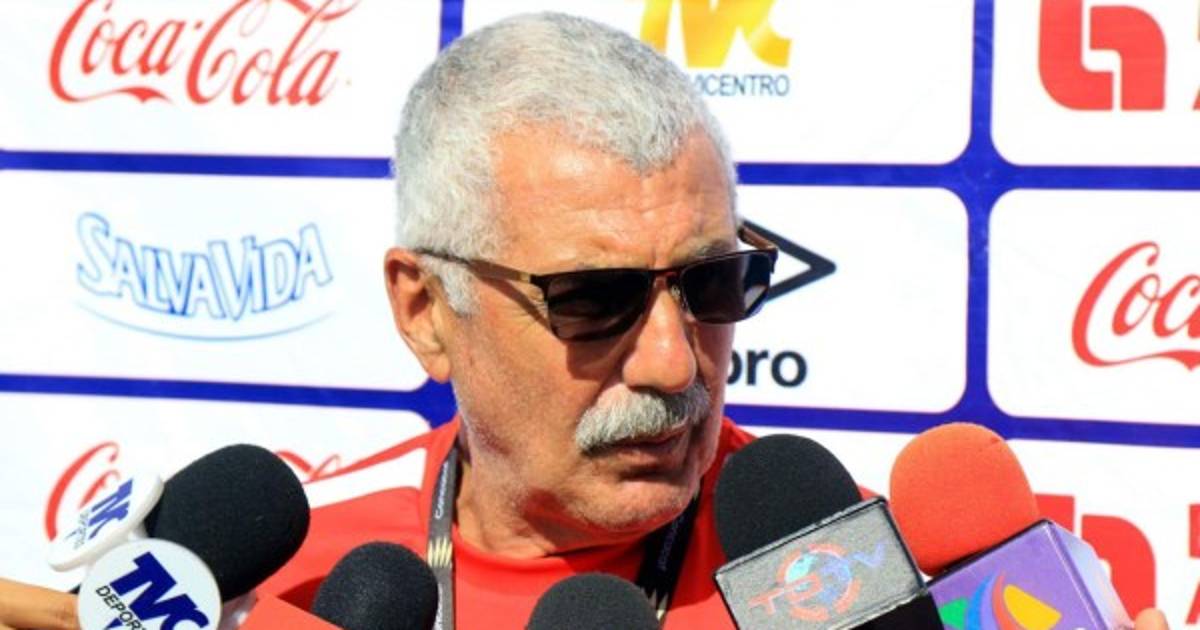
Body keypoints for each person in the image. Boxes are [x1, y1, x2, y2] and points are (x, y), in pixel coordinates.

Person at [0, 11, 1171, 630]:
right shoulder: (274, 587)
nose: (672, 362)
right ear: (427, 309)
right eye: (593, 299)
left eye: (711, 285)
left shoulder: (884, 594)